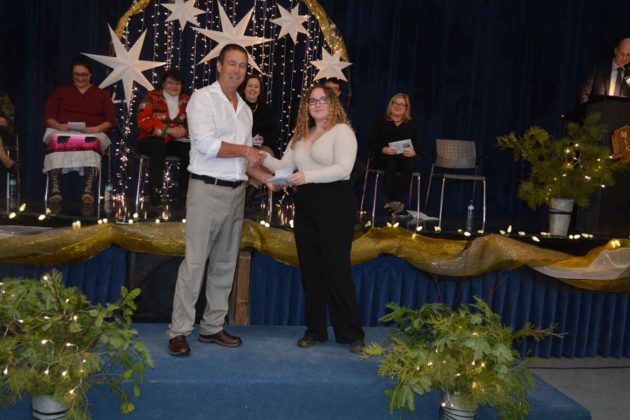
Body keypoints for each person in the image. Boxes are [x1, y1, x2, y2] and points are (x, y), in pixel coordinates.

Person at [167, 44, 271, 357]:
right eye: (232, 63)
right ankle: (179, 330)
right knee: (195, 262)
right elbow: (205, 144)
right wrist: (246, 151)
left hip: (237, 191)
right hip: (206, 189)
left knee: (225, 263)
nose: (237, 70)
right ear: (219, 66)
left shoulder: (246, 110)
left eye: (243, 66)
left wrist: (270, 180)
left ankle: (212, 326)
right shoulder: (203, 98)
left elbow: (246, 162)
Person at [262, 84, 365, 353]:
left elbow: (343, 169)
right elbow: (284, 168)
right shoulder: (300, 135)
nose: (318, 104)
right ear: (306, 106)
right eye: (312, 100)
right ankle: (315, 330)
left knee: (337, 270)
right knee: (310, 270)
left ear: (333, 104)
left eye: (323, 100)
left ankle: (351, 333)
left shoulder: (342, 131)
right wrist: (261, 157)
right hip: (306, 206)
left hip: (336, 204)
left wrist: (307, 176)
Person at [43, 56, 115, 204]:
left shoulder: (101, 94)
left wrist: (96, 128)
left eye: (84, 75)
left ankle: (88, 190)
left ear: (90, 75)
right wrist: (59, 126)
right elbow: (48, 117)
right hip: (63, 130)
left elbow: (110, 120)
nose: (80, 78)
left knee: (92, 142)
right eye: (77, 74)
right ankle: (55, 189)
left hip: (92, 131)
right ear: (72, 75)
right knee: (56, 140)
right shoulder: (61, 92)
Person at [137, 68, 190, 210]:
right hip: (149, 139)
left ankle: (183, 194)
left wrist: (185, 131)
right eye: (170, 83)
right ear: (163, 83)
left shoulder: (187, 100)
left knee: (189, 150)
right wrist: (168, 130)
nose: (174, 86)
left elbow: (196, 121)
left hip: (175, 141)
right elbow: (143, 121)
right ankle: (155, 194)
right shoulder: (151, 98)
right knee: (157, 145)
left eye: (177, 83)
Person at [368, 93, 419, 215]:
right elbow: (371, 142)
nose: (398, 106)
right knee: (391, 163)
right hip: (384, 157)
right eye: (395, 103)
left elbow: (418, 144)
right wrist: (383, 149)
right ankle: (396, 201)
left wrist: (414, 152)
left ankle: (393, 201)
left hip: (404, 158)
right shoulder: (381, 121)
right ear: (390, 105)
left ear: (406, 108)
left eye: (402, 104)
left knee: (410, 164)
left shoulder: (411, 123)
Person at [578, 37, 630, 104]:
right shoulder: (598, 69)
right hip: (597, 110)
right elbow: (583, 94)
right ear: (616, 51)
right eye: (622, 54)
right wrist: (590, 109)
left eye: (628, 55)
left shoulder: (628, 75)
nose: (624, 58)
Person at [238, 74, 280, 157]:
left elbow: (273, 133)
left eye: (256, 87)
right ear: (244, 88)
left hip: (260, 146)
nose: (253, 89)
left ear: (260, 91)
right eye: (250, 86)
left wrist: (262, 139)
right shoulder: (237, 106)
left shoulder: (266, 109)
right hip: (239, 145)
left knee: (267, 155)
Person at [0, 91, 17, 173]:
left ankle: (6, 160)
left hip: (4, 133)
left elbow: (8, 121)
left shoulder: (2, 98)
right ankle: (7, 161)